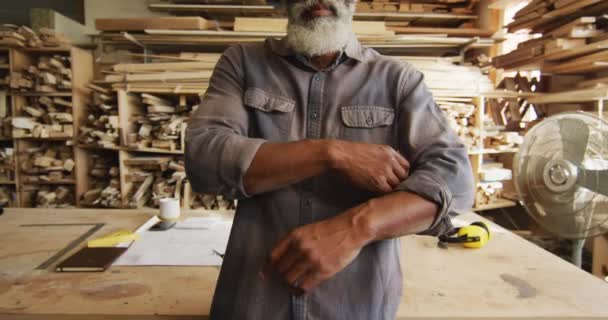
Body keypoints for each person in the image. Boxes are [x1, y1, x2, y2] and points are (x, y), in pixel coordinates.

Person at [185, 0, 475, 318]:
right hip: (255, 302)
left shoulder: (398, 80)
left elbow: (455, 179)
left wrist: (355, 227)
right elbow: (203, 157)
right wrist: (331, 154)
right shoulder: (242, 63)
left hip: (356, 307)